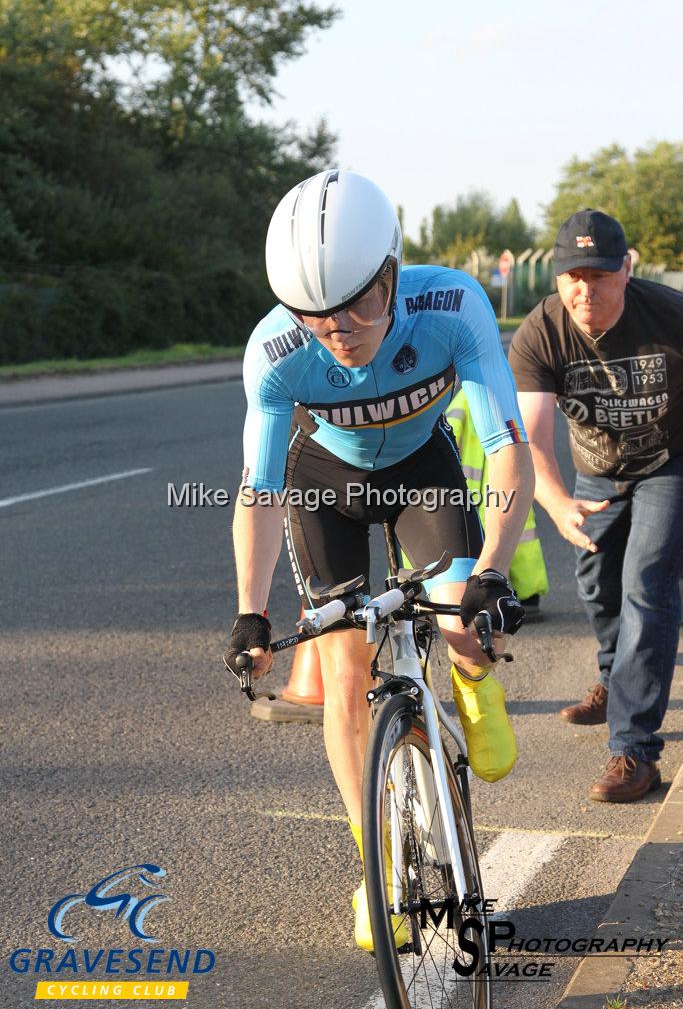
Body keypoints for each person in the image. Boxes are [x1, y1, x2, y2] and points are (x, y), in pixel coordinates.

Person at [227, 169, 534, 950]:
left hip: (422, 475)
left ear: (392, 269)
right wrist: (250, 612)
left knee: (462, 611)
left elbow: (505, 449)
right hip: (322, 483)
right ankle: (377, 870)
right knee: (343, 678)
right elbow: (258, 491)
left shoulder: (450, 305)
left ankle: (469, 677)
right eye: (315, 314)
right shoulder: (274, 350)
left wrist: (493, 570)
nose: (339, 329)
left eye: (360, 303)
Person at [508, 209, 683, 803]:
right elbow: (528, 435)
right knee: (597, 584)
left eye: (600, 275)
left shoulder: (669, 315)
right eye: (572, 275)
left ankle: (634, 751)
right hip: (597, 474)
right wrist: (555, 502)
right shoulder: (541, 333)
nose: (586, 289)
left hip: (670, 463)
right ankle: (614, 679)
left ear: (625, 270)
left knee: (646, 583)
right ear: (557, 277)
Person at [446, 386, 549, 618]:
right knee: (522, 538)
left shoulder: (465, 399)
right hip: (508, 485)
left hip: (473, 493)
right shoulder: (510, 398)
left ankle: (466, 597)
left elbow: (448, 436)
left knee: (474, 546)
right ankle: (529, 594)